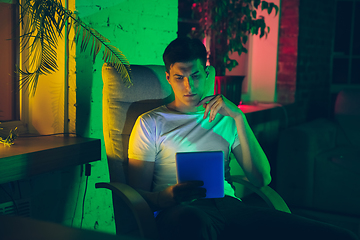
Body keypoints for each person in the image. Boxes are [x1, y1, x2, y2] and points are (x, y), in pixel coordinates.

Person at [127, 37, 359, 240]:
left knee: (340, 236)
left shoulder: (227, 118)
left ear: (206, 74)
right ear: (168, 77)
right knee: (193, 223)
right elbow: (137, 194)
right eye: (179, 77)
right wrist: (166, 197)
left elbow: (261, 178)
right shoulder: (151, 123)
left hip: (229, 207)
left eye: (195, 75)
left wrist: (239, 117)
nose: (189, 86)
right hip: (179, 210)